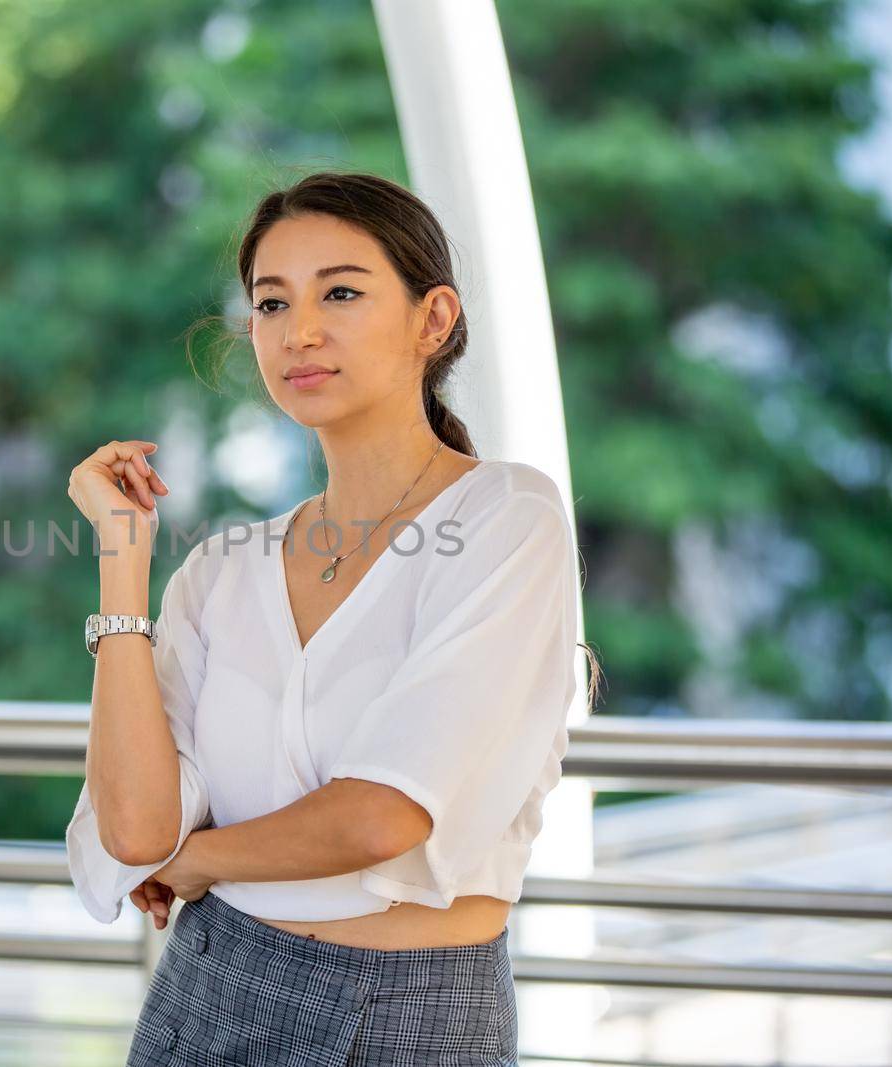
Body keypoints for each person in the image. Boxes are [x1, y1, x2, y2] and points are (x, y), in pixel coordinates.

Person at [64, 170, 602, 1066]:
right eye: (271, 304)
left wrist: (200, 863)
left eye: (341, 292)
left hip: (413, 1013)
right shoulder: (218, 570)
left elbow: (382, 815)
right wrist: (123, 561)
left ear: (434, 320)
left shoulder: (508, 518)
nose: (299, 331)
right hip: (208, 987)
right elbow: (135, 833)